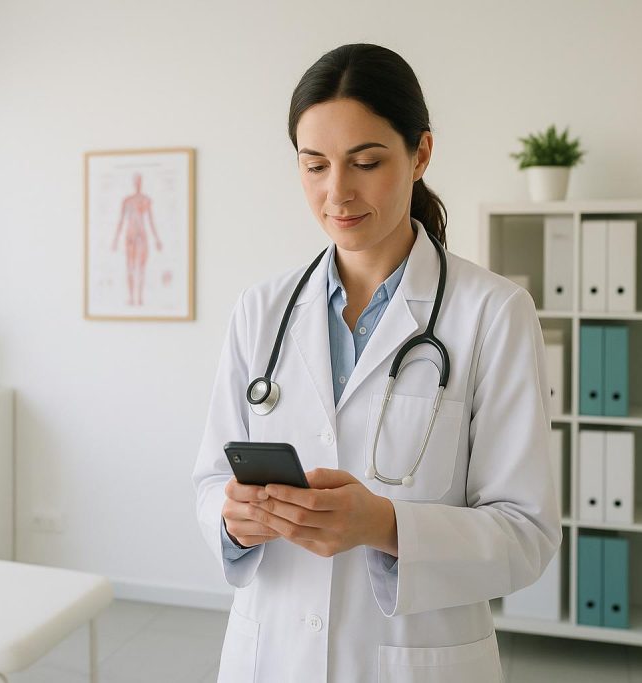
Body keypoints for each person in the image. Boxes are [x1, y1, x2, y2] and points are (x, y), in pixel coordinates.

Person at [190, 43, 560, 682]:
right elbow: (208, 482)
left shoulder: (494, 313)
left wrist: (386, 527)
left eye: (366, 162)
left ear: (421, 154)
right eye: (315, 166)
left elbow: (525, 536)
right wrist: (234, 520)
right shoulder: (262, 310)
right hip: (270, 655)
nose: (338, 192)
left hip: (414, 662)